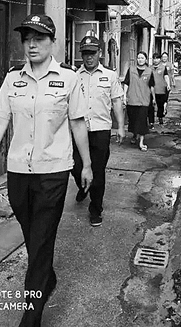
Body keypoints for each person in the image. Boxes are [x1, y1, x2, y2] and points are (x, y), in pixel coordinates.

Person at [0, 14, 93, 327]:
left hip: (53, 171)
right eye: (27, 39)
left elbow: (78, 122)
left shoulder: (69, 78)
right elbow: (0, 121)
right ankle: (47, 277)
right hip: (18, 173)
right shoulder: (13, 79)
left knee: (41, 239)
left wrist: (87, 164)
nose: (32, 44)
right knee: (32, 234)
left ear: (53, 42)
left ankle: (31, 313)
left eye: (39, 38)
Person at [72, 35, 125, 227]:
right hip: (79, 131)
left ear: (100, 53)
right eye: (85, 53)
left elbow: (117, 101)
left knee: (98, 172)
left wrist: (120, 126)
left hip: (101, 131)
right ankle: (83, 186)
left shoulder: (110, 75)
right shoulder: (74, 76)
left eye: (92, 53)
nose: (89, 57)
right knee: (75, 167)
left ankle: (95, 209)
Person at [123, 51, 155, 151]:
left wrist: (153, 98)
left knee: (142, 121)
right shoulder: (131, 69)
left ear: (146, 59)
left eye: (142, 58)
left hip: (144, 100)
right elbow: (126, 83)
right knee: (133, 120)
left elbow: (152, 86)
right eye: (139, 58)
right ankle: (134, 135)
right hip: (132, 99)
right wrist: (124, 96)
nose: (140, 60)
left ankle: (141, 142)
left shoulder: (149, 71)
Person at [148, 53, 171, 127]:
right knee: (150, 106)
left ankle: (160, 117)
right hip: (151, 90)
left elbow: (166, 76)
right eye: (154, 58)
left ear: (160, 59)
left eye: (157, 58)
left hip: (161, 90)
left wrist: (168, 85)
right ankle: (151, 122)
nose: (155, 60)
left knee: (160, 105)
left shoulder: (163, 68)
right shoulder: (149, 68)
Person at [161, 51, 176, 116]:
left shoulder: (170, 65)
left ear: (167, 57)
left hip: (167, 84)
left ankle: (164, 109)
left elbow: (172, 74)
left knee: (165, 97)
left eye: (165, 57)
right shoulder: (159, 64)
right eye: (163, 57)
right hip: (160, 83)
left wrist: (173, 82)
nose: (164, 58)